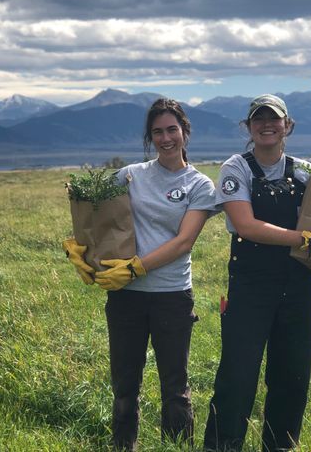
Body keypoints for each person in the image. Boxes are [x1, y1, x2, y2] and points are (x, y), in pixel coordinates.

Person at [203, 94, 311, 451]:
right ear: (248, 127)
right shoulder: (236, 169)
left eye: (274, 119)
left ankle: (280, 446)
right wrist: (305, 240)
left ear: (287, 125)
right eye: (258, 120)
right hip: (250, 286)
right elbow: (245, 225)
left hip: (297, 286)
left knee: (292, 377)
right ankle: (222, 446)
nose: (266, 125)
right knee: (237, 376)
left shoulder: (306, 171)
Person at [63, 98, 216, 451]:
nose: (166, 138)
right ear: (150, 137)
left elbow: (183, 242)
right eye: (158, 132)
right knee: (124, 384)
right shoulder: (130, 175)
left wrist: (137, 268)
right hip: (126, 296)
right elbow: (101, 221)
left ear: (185, 132)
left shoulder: (200, 185)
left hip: (172, 296)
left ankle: (176, 447)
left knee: (175, 387)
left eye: (172, 130)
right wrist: (83, 252)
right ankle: (122, 446)